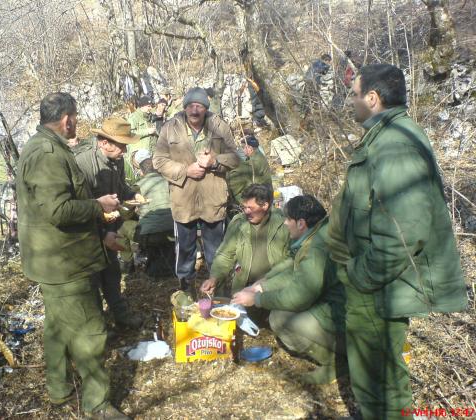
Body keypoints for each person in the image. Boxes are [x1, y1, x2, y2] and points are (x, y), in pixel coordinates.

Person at [326, 64, 467, 419]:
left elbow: (404, 232)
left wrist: (361, 275)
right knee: (377, 384)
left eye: (355, 95)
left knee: (381, 388)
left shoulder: (395, 144)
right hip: (375, 285)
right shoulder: (385, 137)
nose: (351, 103)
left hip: (379, 289)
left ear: (372, 98)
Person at [16, 92, 127, 418]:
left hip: (53, 260)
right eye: (75, 117)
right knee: (91, 331)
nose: (76, 123)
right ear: (66, 119)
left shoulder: (40, 146)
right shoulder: (49, 154)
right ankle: (97, 405)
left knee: (57, 327)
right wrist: (98, 206)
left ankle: (59, 389)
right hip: (65, 263)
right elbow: (58, 210)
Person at [232, 195, 346, 384]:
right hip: (337, 308)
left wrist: (258, 300)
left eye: (288, 220)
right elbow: (294, 270)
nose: (285, 223)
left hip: (345, 322)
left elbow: (298, 297)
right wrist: (261, 286)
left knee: (280, 318)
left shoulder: (317, 250)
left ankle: (337, 362)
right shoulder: (317, 235)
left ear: (301, 223)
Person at [153, 86, 240, 294]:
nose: (194, 110)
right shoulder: (170, 127)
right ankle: (186, 293)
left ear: (205, 108)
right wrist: (185, 170)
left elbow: (236, 158)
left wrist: (214, 161)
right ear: (184, 107)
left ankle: (219, 294)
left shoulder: (219, 126)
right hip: (183, 201)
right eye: (191, 105)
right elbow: (159, 160)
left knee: (215, 252)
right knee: (185, 252)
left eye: (199, 106)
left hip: (213, 201)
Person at [74, 117, 143, 330]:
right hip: (88, 232)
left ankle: (120, 314)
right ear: (104, 143)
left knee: (112, 273)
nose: (124, 150)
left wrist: (134, 194)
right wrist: (102, 234)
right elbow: (78, 203)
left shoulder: (118, 159)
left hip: (111, 224)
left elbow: (120, 188)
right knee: (92, 281)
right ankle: (99, 326)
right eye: (121, 145)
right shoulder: (82, 162)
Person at [200, 184, 290, 302]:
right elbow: (225, 254)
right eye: (244, 207)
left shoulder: (284, 224)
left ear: (265, 206)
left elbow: (291, 261)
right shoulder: (238, 223)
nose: (246, 212)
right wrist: (214, 278)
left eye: (250, 208)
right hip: (244, 289)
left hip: (274, 288)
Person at [133, 149, 175, 279]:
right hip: (174, 230)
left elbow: (127, 211)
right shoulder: (169, 182)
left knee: (124, 226)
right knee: (167, 249)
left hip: (149, 234)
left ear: (141, 171)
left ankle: (127, 264)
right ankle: (169, 270)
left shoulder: (137, 186)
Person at [227, 134, 272, 205]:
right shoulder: (255, 157)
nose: (243, 150)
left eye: (244, 148)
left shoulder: (256, 160)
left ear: (250, 148)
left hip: (263, 195)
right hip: (262, 192)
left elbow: (245, 171)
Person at [125, 96, 158, 184]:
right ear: (142, 106)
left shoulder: (150, 118)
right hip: (139, 155)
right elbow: (129, 134)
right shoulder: (134, 117)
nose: (150, 108)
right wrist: (147, 131)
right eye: (148, 106)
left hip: (152, 154)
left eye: (151, 106)